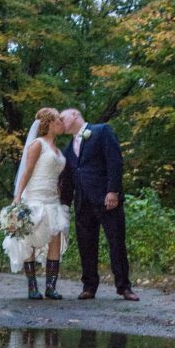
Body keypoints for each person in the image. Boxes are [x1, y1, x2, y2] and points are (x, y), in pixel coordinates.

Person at [59, 108, 139, 301]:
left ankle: (124, 287)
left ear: (75, 116)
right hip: (82, 203)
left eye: (63, 118)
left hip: (106, 199)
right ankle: (89, 286)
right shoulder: (68, 150)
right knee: (86, 245)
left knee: (116, 242)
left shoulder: (102, 131)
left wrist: (113, 191)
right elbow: (68, 179)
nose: (60, 122)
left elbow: (115, 162)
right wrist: (64, 204)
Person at [2, 107, 70, 300]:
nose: (61, 123)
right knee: (30, 240)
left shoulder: (57, 149)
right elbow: (27, 172)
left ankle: (51, 287)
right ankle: (33, 287)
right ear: (48, 124)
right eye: (58, 120)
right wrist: (17, 198)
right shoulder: (37, 145)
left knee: (55, 239)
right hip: (35, 197)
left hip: (53, 200)